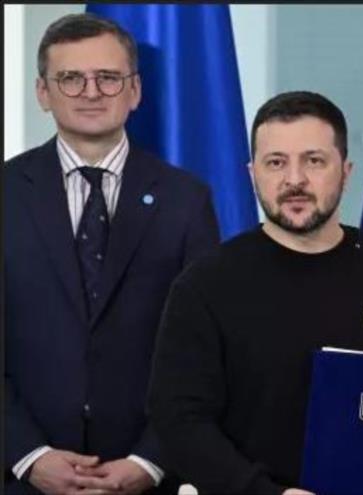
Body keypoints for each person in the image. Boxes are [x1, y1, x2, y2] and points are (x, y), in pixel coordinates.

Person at [147, 91, 363, 494]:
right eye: (276, 163)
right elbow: (179, 422)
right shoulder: (205, 284)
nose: (294, 180)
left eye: (314, 160)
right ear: (252, 172)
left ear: (346, 170)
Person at [3, 13, 219, 494]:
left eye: (108, 77)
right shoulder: (6, 193)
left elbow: (205, 352)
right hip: (22, 478)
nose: (91, 91)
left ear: (135, 90)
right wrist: (27, 454)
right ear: (43, 92)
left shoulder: (187, 201)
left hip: (145, 477)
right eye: (71, 78)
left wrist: (151, 460)